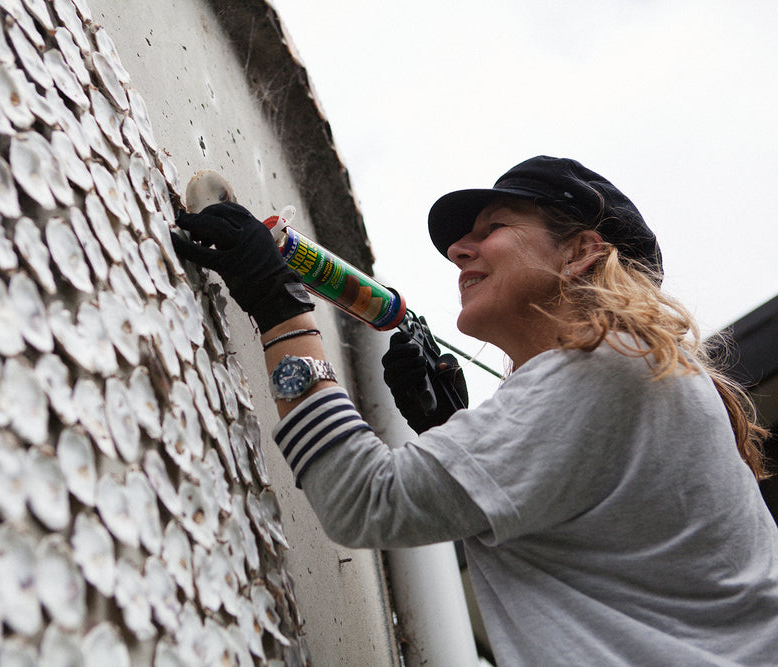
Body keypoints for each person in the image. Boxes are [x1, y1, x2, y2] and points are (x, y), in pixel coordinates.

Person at [171, 155, 778, 665]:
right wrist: (445, 431)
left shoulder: (609, 366)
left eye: (492, 227)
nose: (460, 250)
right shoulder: (645, 372)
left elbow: (363, 500)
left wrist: (280, 310)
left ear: (581, 253)